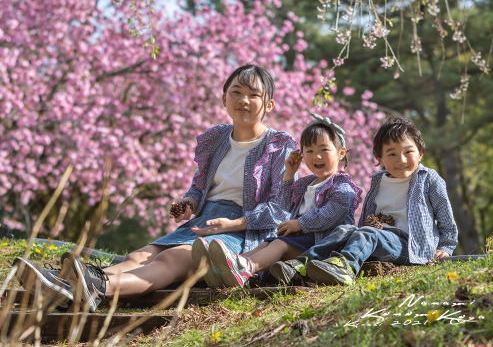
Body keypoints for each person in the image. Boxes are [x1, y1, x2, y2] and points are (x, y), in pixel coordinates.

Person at [13, 64, 297, 312]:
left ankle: (95, 288)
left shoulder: (278, 145)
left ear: (268, 104)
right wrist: (190, 202)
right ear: (224, 98)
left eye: (253, 95)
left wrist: (233, 223)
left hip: (243, 232)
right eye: (236, 92)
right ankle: (64, 286)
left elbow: (280, 209)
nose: (243, 100)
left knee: (174, 257)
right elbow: (200, 186)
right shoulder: (216, 138)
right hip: (203, 221)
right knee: (139, 256)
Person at [269, 116, 458, 285]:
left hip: (411, 245)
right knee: (344, 230)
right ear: (380, 158)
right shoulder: (378, 182)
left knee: (368, 234)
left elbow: (445, 215)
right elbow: (365, 221)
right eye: (392, 154)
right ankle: (301, 265)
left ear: (420, 153)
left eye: (408, 152)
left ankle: (345, 268)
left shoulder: (428, 179)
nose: (401, 159)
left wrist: (446, 247)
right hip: (381, 238)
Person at [196, 113, 363, 287]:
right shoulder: (306, 183)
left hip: (324, 244)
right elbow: (284, 205)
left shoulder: (342, 186)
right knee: (266, 243)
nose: (317, 156)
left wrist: (300, 224)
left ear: (341, 153)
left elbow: (330, 213)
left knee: (279, 245)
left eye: (324, 150)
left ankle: (246, 268)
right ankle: (231, 267)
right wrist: (289, 173)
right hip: (302, 240)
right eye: (310, 151)